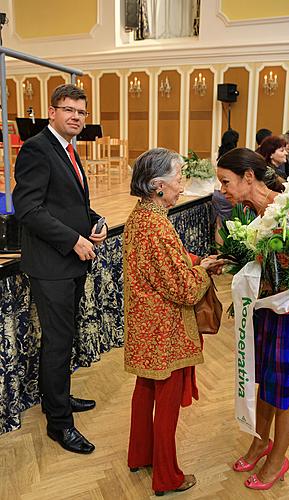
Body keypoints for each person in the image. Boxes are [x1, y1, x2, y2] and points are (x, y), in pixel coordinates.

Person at [216, 148, 289, 490]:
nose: (223, 190)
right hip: (268, 314)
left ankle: (278, 460)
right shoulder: (252, 213)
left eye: (226, 181)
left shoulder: (287, 209)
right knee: (264, 382)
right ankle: (260, 442)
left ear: (248, 177)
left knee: (284, 395)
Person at [123, 147, 225, 496]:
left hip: (144, 322)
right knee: (165, 402)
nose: (182, 186)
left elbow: (163, 262)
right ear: (157, 186)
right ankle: (167, 477)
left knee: (145, 390)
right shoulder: (157, 225)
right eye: (178, 179)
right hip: (164, 326)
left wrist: (194, 260)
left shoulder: (141, 216)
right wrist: (201, 271)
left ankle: (140, 455)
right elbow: (183, 289)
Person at [13, 84, 107, 454]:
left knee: (63, 339)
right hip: (51, 264)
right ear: (51, 112)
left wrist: (94, 220)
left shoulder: (67, 149)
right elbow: (29, 209)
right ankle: (59, 423)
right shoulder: (38, 148)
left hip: (69, 262)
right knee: (56, 344)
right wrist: (73, 239)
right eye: (68, 110)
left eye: (81, 113)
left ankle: (59, 398)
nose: (76, 118)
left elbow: (68, 204)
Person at [213, 129, 239, 245]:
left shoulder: (216, 155)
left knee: (219, 224)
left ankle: (219, 254)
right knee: (233, 224)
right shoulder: (235, 156)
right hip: (230, 192)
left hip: (217, 192)